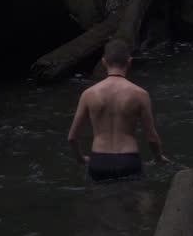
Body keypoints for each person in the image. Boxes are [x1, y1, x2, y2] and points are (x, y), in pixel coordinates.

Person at [68, 39, 168, 182]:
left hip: (99, 161)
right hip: (129, 159)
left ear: (103, 62)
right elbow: (152, 137)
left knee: (98, 202)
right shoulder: (140, 94)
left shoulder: (88, 94)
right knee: (141, 199)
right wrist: (158, 158)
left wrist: (81, 159)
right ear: (129, 62)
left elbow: (72, 137)